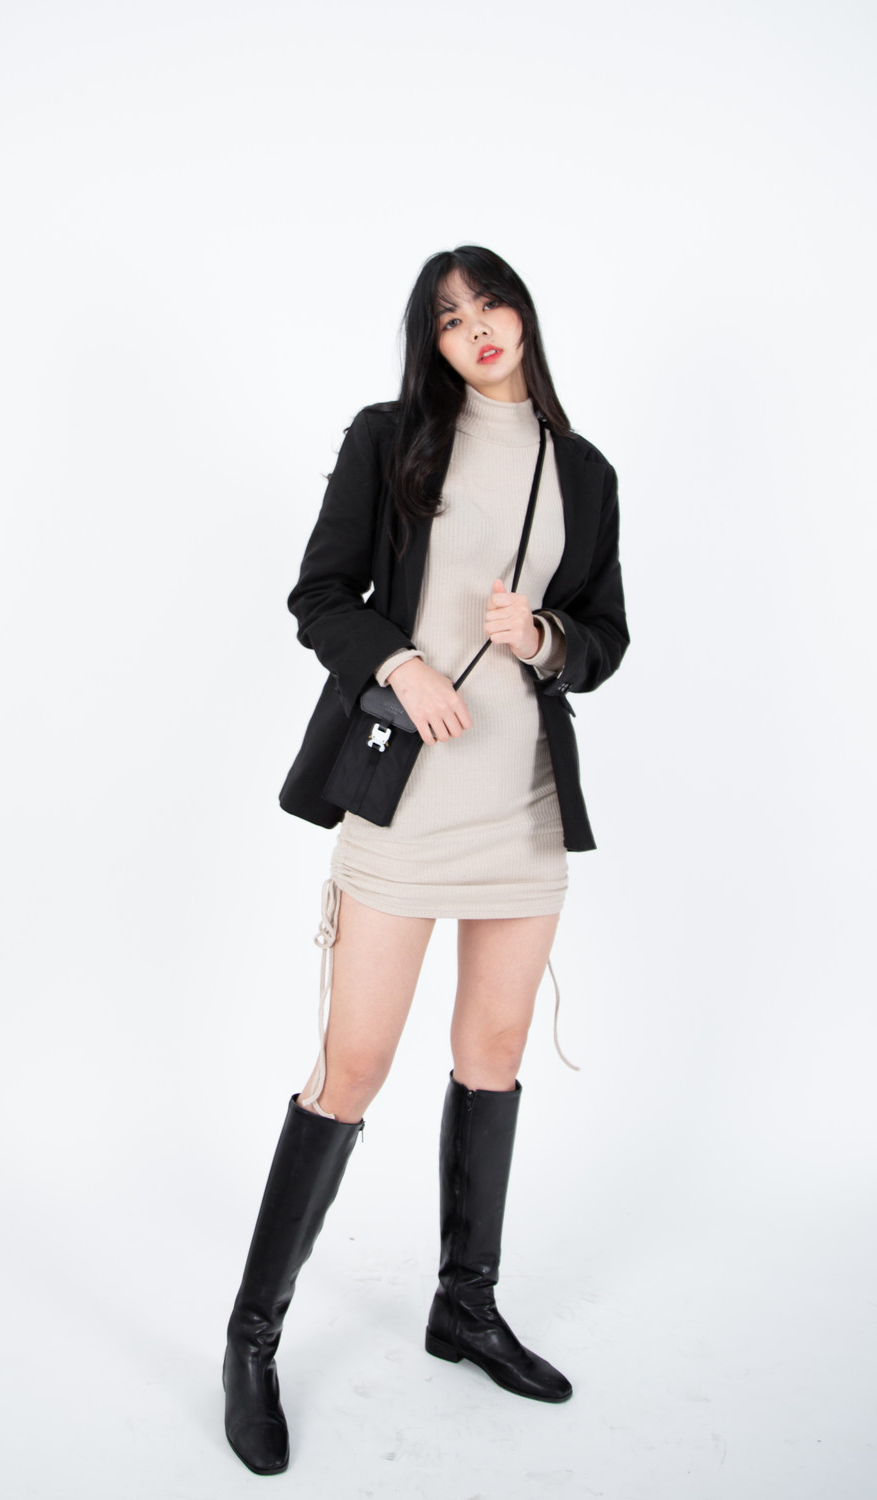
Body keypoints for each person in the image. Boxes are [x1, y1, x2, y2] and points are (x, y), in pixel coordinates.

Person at [223, 246, 629, 1475]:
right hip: (404, 801)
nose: (477, 328)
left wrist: (543, 634)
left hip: (522, 804)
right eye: (449, 318)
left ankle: (466, 1307)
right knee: (351, 1067)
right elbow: (320, 595)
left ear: (523, 314)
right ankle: (251, 1339)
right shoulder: (390, 439)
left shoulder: (583, 470)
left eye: (490, 303)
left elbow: (605, 637)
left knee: (492, 1055)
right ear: (432, 344)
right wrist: (398, 664)